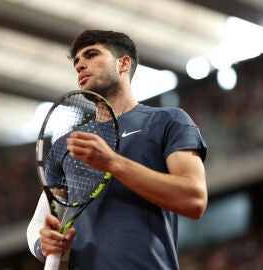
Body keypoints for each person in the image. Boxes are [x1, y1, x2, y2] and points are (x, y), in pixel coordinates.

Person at [27, 30, 208, 270]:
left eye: (91, 55)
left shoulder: (167, 120)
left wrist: (113, 163)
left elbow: (194, 198)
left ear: (123, 63)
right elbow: (41, 221)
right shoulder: (68, 144)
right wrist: (44, 243)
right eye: (77, 62)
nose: (80, 65)